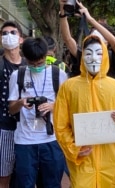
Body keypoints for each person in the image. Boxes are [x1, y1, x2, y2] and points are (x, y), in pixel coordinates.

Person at [53, 35, 115, 187]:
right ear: (82, 55)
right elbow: (60, 125)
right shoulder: (69, 87)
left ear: (105, 56)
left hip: (112, 160)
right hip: (83, 161)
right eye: (88, 53)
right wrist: (74, 149)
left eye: (99, 53)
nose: (93, 58)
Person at [8, 37, 68, 187]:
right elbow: (11, 108)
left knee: (52, 183)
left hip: (51, 139)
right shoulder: (18, 75)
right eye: (31, 64)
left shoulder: (58, 75)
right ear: (26, 59)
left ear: (46, 56)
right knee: (24, 184)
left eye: (40, 63)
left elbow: (69, 105)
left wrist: (53, 106)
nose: (36, 67)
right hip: (25, 141)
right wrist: (21, 103)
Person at [58, 0, 115, 78]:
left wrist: (90, 19)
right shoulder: (84, 56)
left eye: (99, 39)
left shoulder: (112, 57)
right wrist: (63, 12)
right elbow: (67, 39)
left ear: (107, 43)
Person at [0, 20, 26, 188]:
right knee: (4, 175)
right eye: (4, 33)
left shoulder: (29, 65)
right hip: (5, 128)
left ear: (21, 39)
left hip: (27, 129)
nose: (8, 36)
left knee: (25, 174)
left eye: (13, 33)